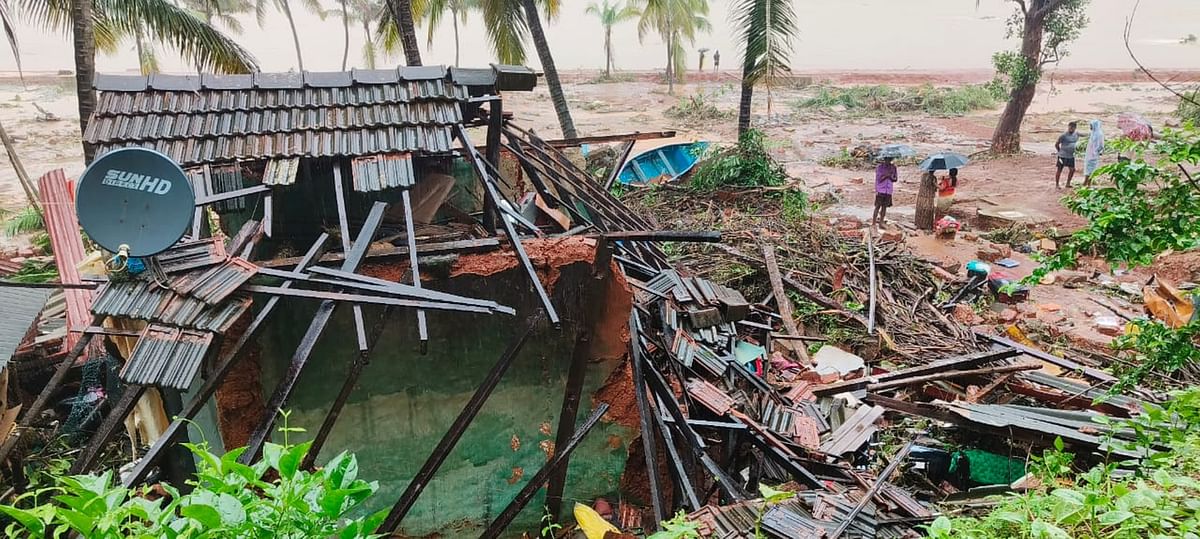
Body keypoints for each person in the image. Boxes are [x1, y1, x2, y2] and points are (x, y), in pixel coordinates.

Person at [873, 156, 897, 228]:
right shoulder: (880, 167)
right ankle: (873, 223)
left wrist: (890, 176)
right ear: (884, 159)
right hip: (881, 189)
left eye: (889, 159)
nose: (888, 161)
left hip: (888, 190)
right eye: (886, 159)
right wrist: (886, 175)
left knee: (884, 207)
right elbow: (879, 179)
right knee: (877, 206)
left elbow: (895, 179)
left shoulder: (893, 168)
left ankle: (881, 222)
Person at [1055, 121, 1079, 189]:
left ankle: (1068, 183)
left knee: (1072, 170)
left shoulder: (1076, 134)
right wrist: (1059, 151)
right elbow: (1056, 144)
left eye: (1073, 128)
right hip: (1062, 156)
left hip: (1071, 156)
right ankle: (1057, 184)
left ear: (1075, 128)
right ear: (1068, 127)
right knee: (1059, 169)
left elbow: (1086, 135)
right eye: (1070, 127)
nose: (1071, 129)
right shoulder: (1063, 135)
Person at [1084, 119, 1105, 185]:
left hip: (1094, 154)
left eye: (1091, 125)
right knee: (1088, 168)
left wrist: (1097, 151)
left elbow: (1101, 145)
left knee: (1091, 169)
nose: (1090, 127)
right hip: (1089, 153)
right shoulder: (1093, 133)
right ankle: (1087, 183)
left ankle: (1087, 183)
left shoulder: (1099, 134)